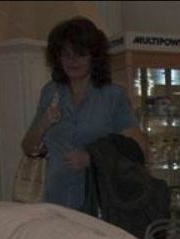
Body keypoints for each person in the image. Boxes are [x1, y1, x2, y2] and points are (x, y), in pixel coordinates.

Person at [21, 17, 146, 212]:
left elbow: (137, 149)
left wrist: (92, 158)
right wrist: (44, 122)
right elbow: (28, 147)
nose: (72, 61)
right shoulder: (50, 92)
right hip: (54, 201)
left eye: (79, 54)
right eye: (65, 54)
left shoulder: (112, 96)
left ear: (93, 57)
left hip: (98, 202)